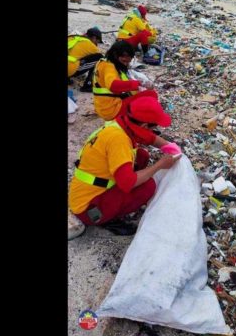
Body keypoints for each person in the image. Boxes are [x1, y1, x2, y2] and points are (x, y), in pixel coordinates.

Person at [69, 94, 182, 235]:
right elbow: (128, 183)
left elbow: (148, 136)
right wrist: (160, 164)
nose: (153, 131)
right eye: (153, 127)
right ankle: (107, 219)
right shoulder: (119, 140)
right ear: (145, 125)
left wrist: (167, 146)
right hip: (88, 209)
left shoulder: (120, 124)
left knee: (142, 156)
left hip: (86, 191)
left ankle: (114, 203)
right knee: (147, 187)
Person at [92, 41, 153, 121]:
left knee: (140, 96)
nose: (125, 64)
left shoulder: (105, 62)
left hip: (104, 104)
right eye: (124, 61)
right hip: (111, 109)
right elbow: (113, 85)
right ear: (115, 55)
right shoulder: (109, 67)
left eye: (128, 62)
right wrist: (139, 83)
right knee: (150, 96)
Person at [68, 27, 104, 92]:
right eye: (97, 41)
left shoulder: (73, 37)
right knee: (99, 59)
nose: (96, 44)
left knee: (74, 57)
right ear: (94, 38)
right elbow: (103, 57)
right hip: (69, 69)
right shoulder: (90, 45)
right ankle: (88, 85)